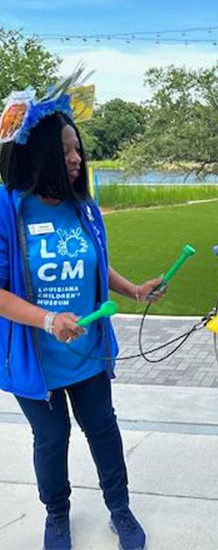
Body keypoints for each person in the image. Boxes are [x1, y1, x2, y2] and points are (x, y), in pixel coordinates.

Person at [0, 97, 165, 550]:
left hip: (87, 354)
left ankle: (120, 509)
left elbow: (93, 263)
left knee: (104, 430)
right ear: (38, 155)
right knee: (52, 440)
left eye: (78, 149)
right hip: (35, 361)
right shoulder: (7, 209)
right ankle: (57, 516)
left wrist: (132, 290)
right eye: (66, 150)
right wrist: (48, 319)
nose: (76, 159)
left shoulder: (83, 207)